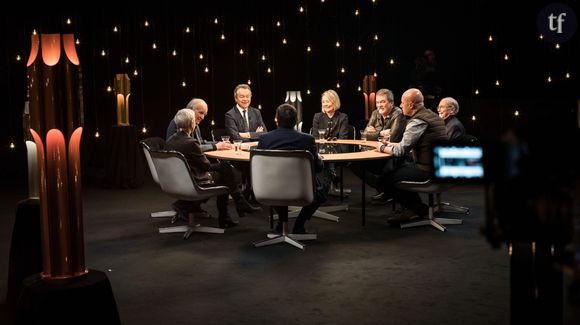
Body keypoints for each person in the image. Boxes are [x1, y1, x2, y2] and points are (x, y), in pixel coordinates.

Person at [165, 108, 258, 228]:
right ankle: (230, 212)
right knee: (226, 172)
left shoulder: (170, 140)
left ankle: (236, 206)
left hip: (177, 178)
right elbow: (205, 166)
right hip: (194, 179)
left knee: (225, 169)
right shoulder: (190, 143)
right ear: (192, 124)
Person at [375, 88, 448, 224]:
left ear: (411, 105)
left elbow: (401, 150)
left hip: (428, 170)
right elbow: (407, 145)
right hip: (441, 167)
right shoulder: (432, 115)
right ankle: (413, 208)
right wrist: (391, 144)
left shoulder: (417, 121)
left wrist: (383, 147)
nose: (401, 105)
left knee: (384, 180)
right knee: (401, 169)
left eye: (402, 103)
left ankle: (418, 210)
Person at [257, 103, 330, 234]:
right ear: (296, 121)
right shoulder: (307, 139)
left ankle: (282, 220)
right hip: (302, 189)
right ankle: (299, 225)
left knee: (277, 186)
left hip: (269, 188)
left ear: (276, 119)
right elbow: (318, 168)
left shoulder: (264, 139)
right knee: (322, 188)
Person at [356, 88, 407, 201]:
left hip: (392, 154)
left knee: (386, 169)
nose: (379, 105)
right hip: (376, 150)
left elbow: (393, 138)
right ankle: (386, 189)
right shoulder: (375, 113)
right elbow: (364, 134)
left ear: (391, 103)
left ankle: (387, 190)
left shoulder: (398, 114)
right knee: (354, 164)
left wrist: (373, 132)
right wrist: (381, 133)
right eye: (378, 102)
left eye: (383, 102)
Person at [311, 89, 349, 195]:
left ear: (335, 102)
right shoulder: (317, 117)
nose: (325, 104)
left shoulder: (343, 117)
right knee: (320, 157)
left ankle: (327, 186)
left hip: (337, 149)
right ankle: (331, 181)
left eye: (328, 101)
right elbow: (315, 137)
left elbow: (342, 138)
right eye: (323, 102)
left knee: (329, 158)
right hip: (320, 149)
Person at [166, 98, 232, 152]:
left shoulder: (195, 123)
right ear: (190, 110)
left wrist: (219, 143)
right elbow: (190, 148)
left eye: (204, 114)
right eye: (201, 113)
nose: (203, 117)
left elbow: (200, 143)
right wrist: (215, 146)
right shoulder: (178, 122)